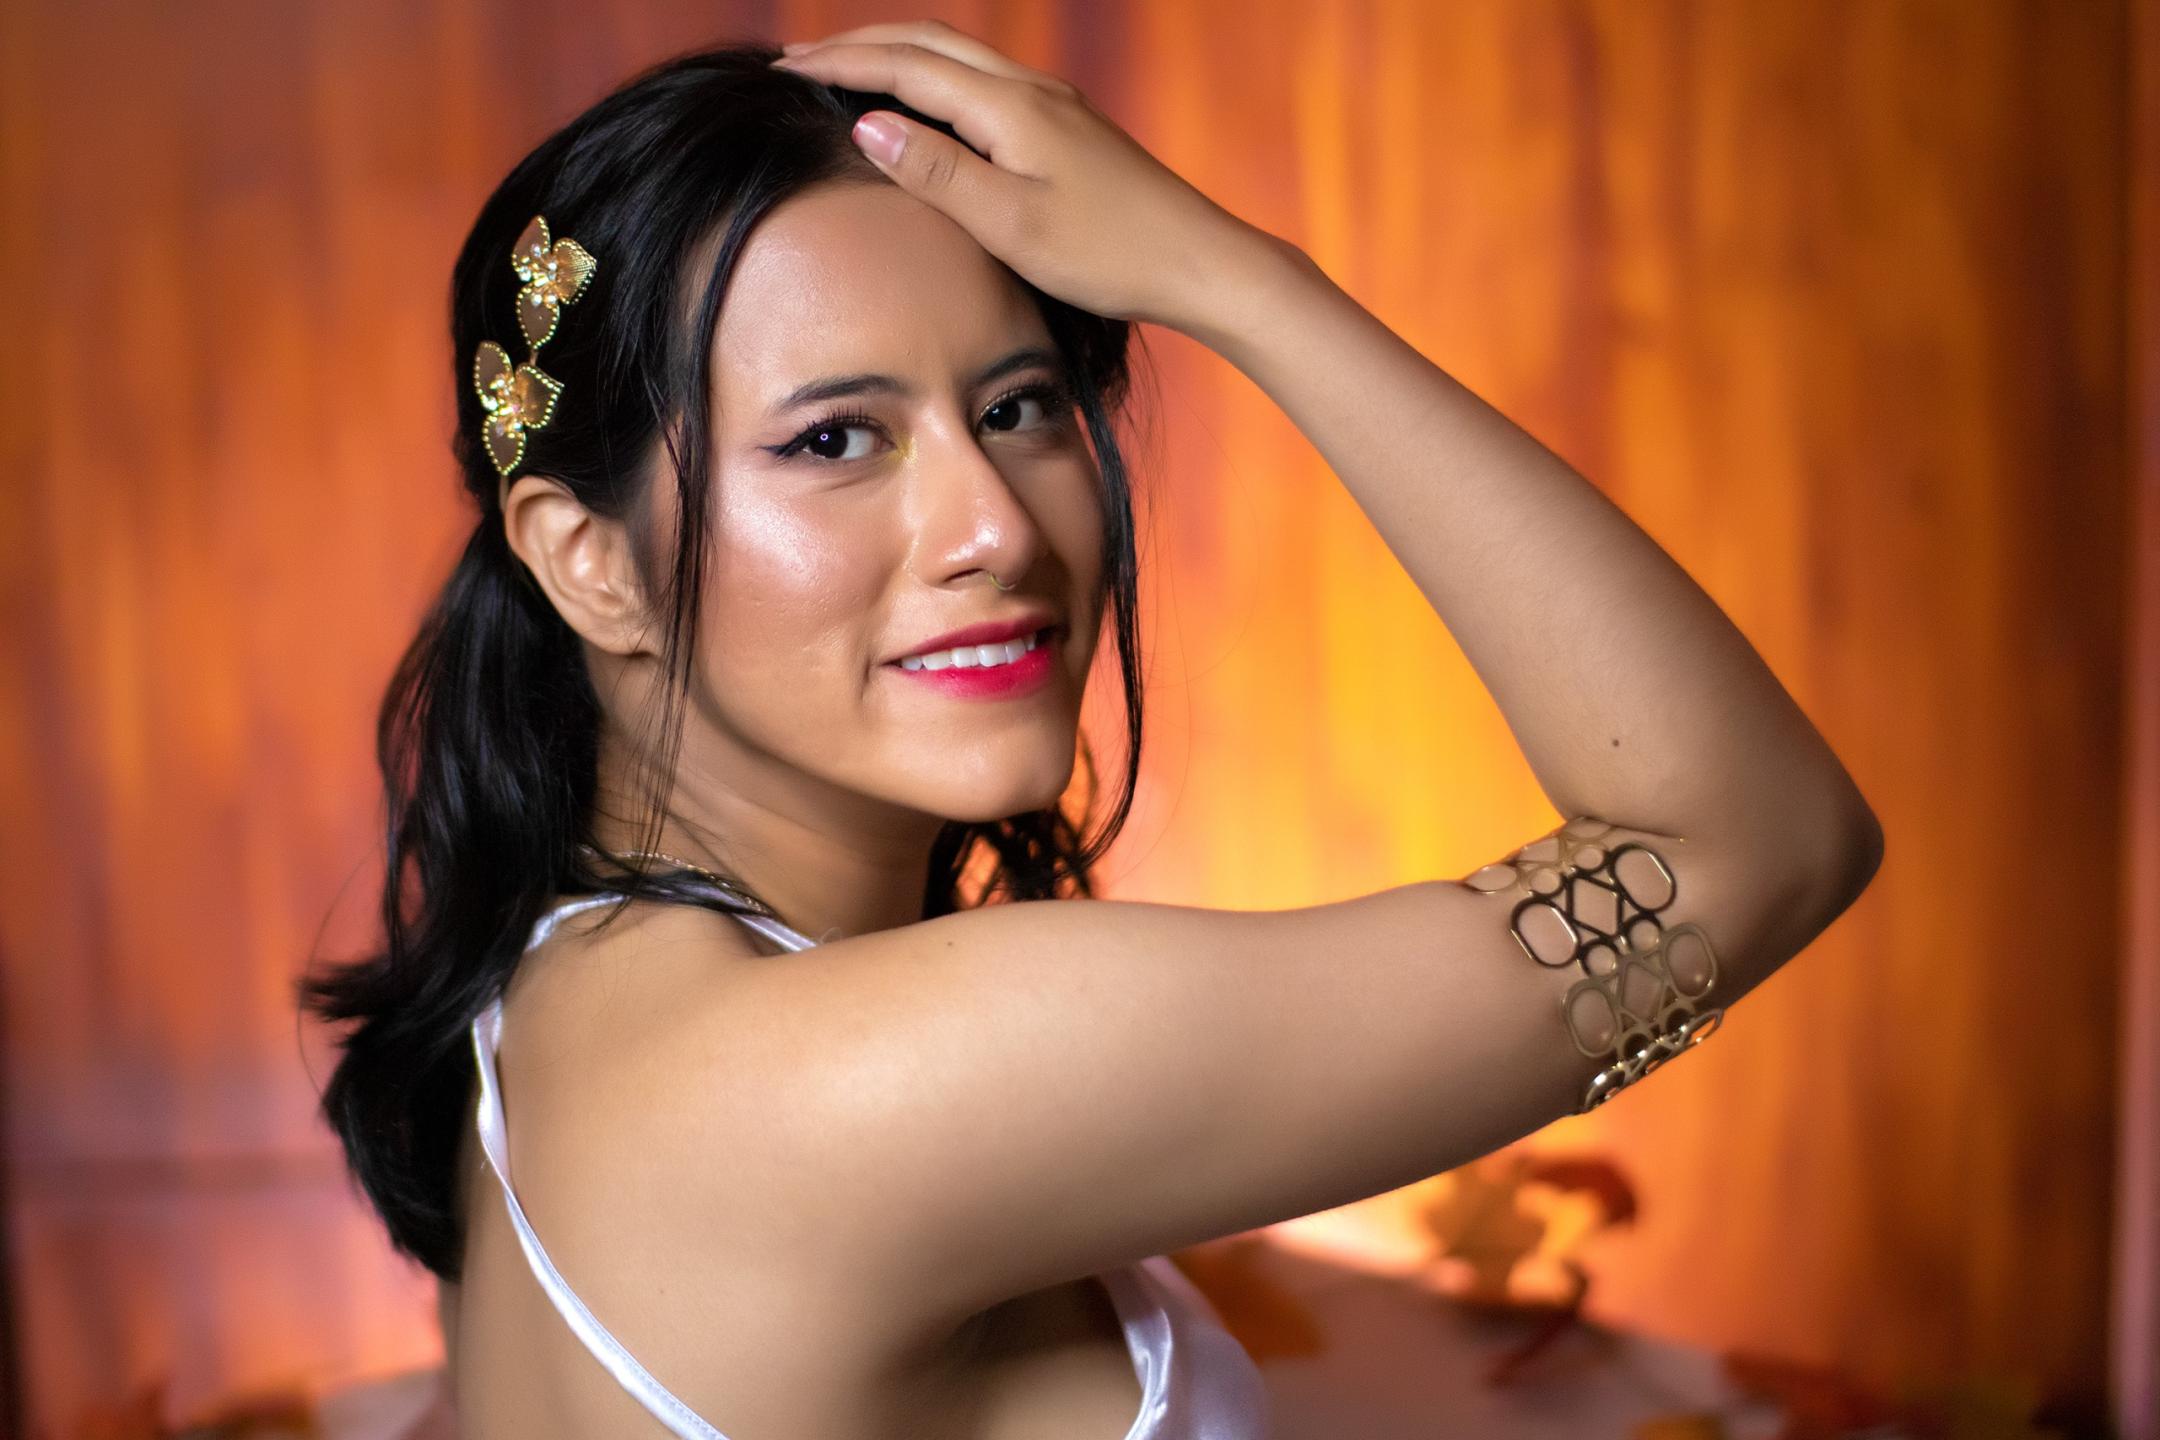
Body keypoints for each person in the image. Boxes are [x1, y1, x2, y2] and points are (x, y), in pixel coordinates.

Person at [299, 19, 1884, 1440]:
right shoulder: (870, 1078)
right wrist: (1241, 282)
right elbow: (1759, 844)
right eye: (837, 440)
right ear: (590, 562)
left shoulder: (548, 1006)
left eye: (1021, 406)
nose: (995, 524)